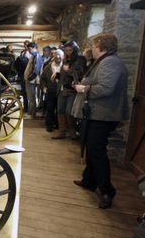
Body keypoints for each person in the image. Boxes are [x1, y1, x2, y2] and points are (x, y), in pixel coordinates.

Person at [73, 33, 129, 209]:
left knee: (97, 150)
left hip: (104, 115)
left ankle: (107, 191)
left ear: (102, 47)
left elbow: (105, 89)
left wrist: (84, 89)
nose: (92, 49)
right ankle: (89, 180)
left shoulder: (110, 62)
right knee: (92, 147)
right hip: (98, 114)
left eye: (94, 45)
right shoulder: (105, 61)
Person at [51, 41, 86, 139]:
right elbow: (64, 73)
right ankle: (62, 132)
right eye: (66, 50)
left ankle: (72, 132)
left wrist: (68, 70)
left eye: (70, 50)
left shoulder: (80, 59)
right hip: (62, 88)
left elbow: (80, 74)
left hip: (72, 89)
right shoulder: (66, 59)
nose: (67, 52)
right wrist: (57, 75)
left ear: (74, 49)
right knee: (60, 110)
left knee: (69, 111)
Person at [41, 48, 63, 132]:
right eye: (56, 55)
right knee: (50, 108)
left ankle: (58, 125)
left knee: (59, 109)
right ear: (53, 56)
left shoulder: (65, 66)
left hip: (61, 92)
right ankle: (49, 125)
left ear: (62, 56)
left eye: (59, 55)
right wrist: (44, 87)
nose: (58, 57)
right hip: (51, 90)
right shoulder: (48, 67)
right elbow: (43, 78)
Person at [23, 42, 43, 119]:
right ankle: (31, 113)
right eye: (28, 49)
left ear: (35, 48)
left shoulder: (37, 56)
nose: (29, 50)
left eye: (30, 49)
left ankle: (32, 114)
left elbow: (36, 70)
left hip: (32, 81)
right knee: (30, 97)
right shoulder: (33, 56)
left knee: (32, 97)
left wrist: (29, 78)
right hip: (30, 80)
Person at [14, 40, 32, 112]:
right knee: (23, 92)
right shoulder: (22, 53)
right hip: (21, 74)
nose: (25, 46)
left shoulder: (31, 54)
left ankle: (30, 108)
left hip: (27, 75)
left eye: (27, 45)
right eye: (24, 45)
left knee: (29, 92)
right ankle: (25, 107)